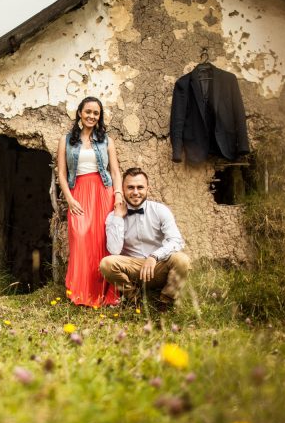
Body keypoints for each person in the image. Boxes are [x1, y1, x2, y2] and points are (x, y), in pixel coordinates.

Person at [57, 96, 122, 307]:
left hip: (103, 192)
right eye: (88, 112)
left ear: (99, 116)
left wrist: (118, 194)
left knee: (103, 241)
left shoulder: (107, 141)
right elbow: (61, 174)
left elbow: (115, 171)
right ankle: (82, 293)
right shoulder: (66, 140)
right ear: (80, 113)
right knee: (81, 238)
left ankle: (105, 295)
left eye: (96, 113)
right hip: (78, 193)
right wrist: (69, 198)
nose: (91, 116)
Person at [99, 167, 191, 311]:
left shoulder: (160, 210)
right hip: (133, 269)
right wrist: (118, 217)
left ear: (147, 188)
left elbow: (176, 241)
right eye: (130, 187)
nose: (135, 192)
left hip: (158, 266)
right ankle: (134, 300)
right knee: (106, 264)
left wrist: (154, 256)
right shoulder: (113, 216)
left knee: (182, 260)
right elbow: (114, 250)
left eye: (140, 187)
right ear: (123, 189)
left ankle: (165, 301)